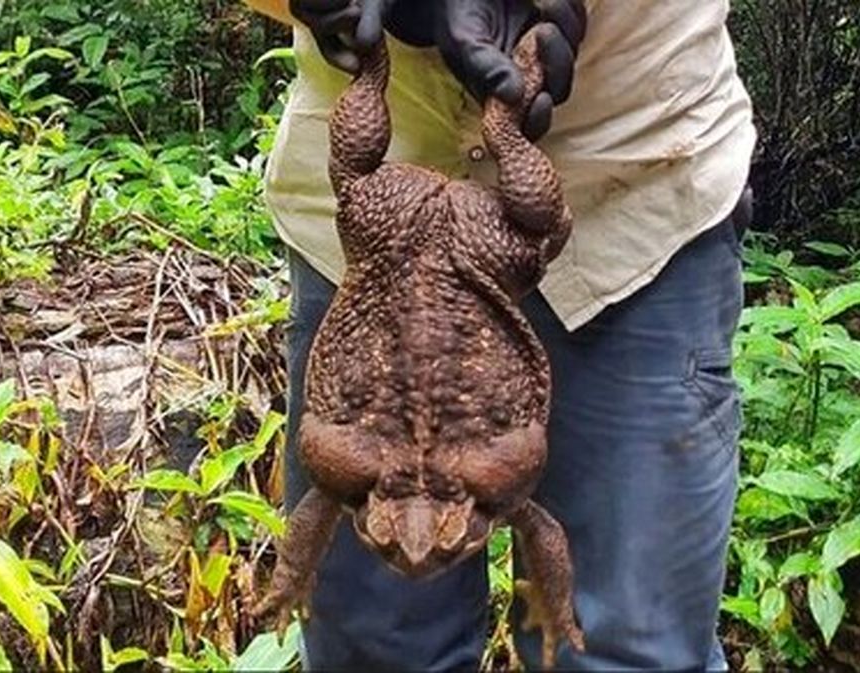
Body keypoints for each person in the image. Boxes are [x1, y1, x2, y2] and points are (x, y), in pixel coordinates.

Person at [257, 0, 756, 669]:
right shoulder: (438, 477)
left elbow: (522, 506)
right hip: (378, 232)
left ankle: (479, 112)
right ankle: (456, 102)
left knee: (626, 650)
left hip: (627, 185)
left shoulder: (461, 477)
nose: (413, 546)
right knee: (371, 651)